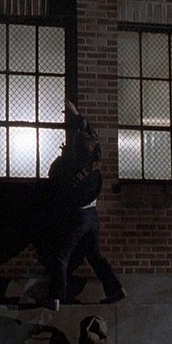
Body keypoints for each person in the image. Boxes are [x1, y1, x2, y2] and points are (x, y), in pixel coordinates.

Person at [41, 100, 127, 310]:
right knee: (94, 255)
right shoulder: (95, 158)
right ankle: (115, 290)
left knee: (61, 256)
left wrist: (62, 156)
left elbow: (53, 176)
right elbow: (93, 134)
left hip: (78, 216)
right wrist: (78, 115)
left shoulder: (68, 164)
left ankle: (56, 298)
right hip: (93, 215)